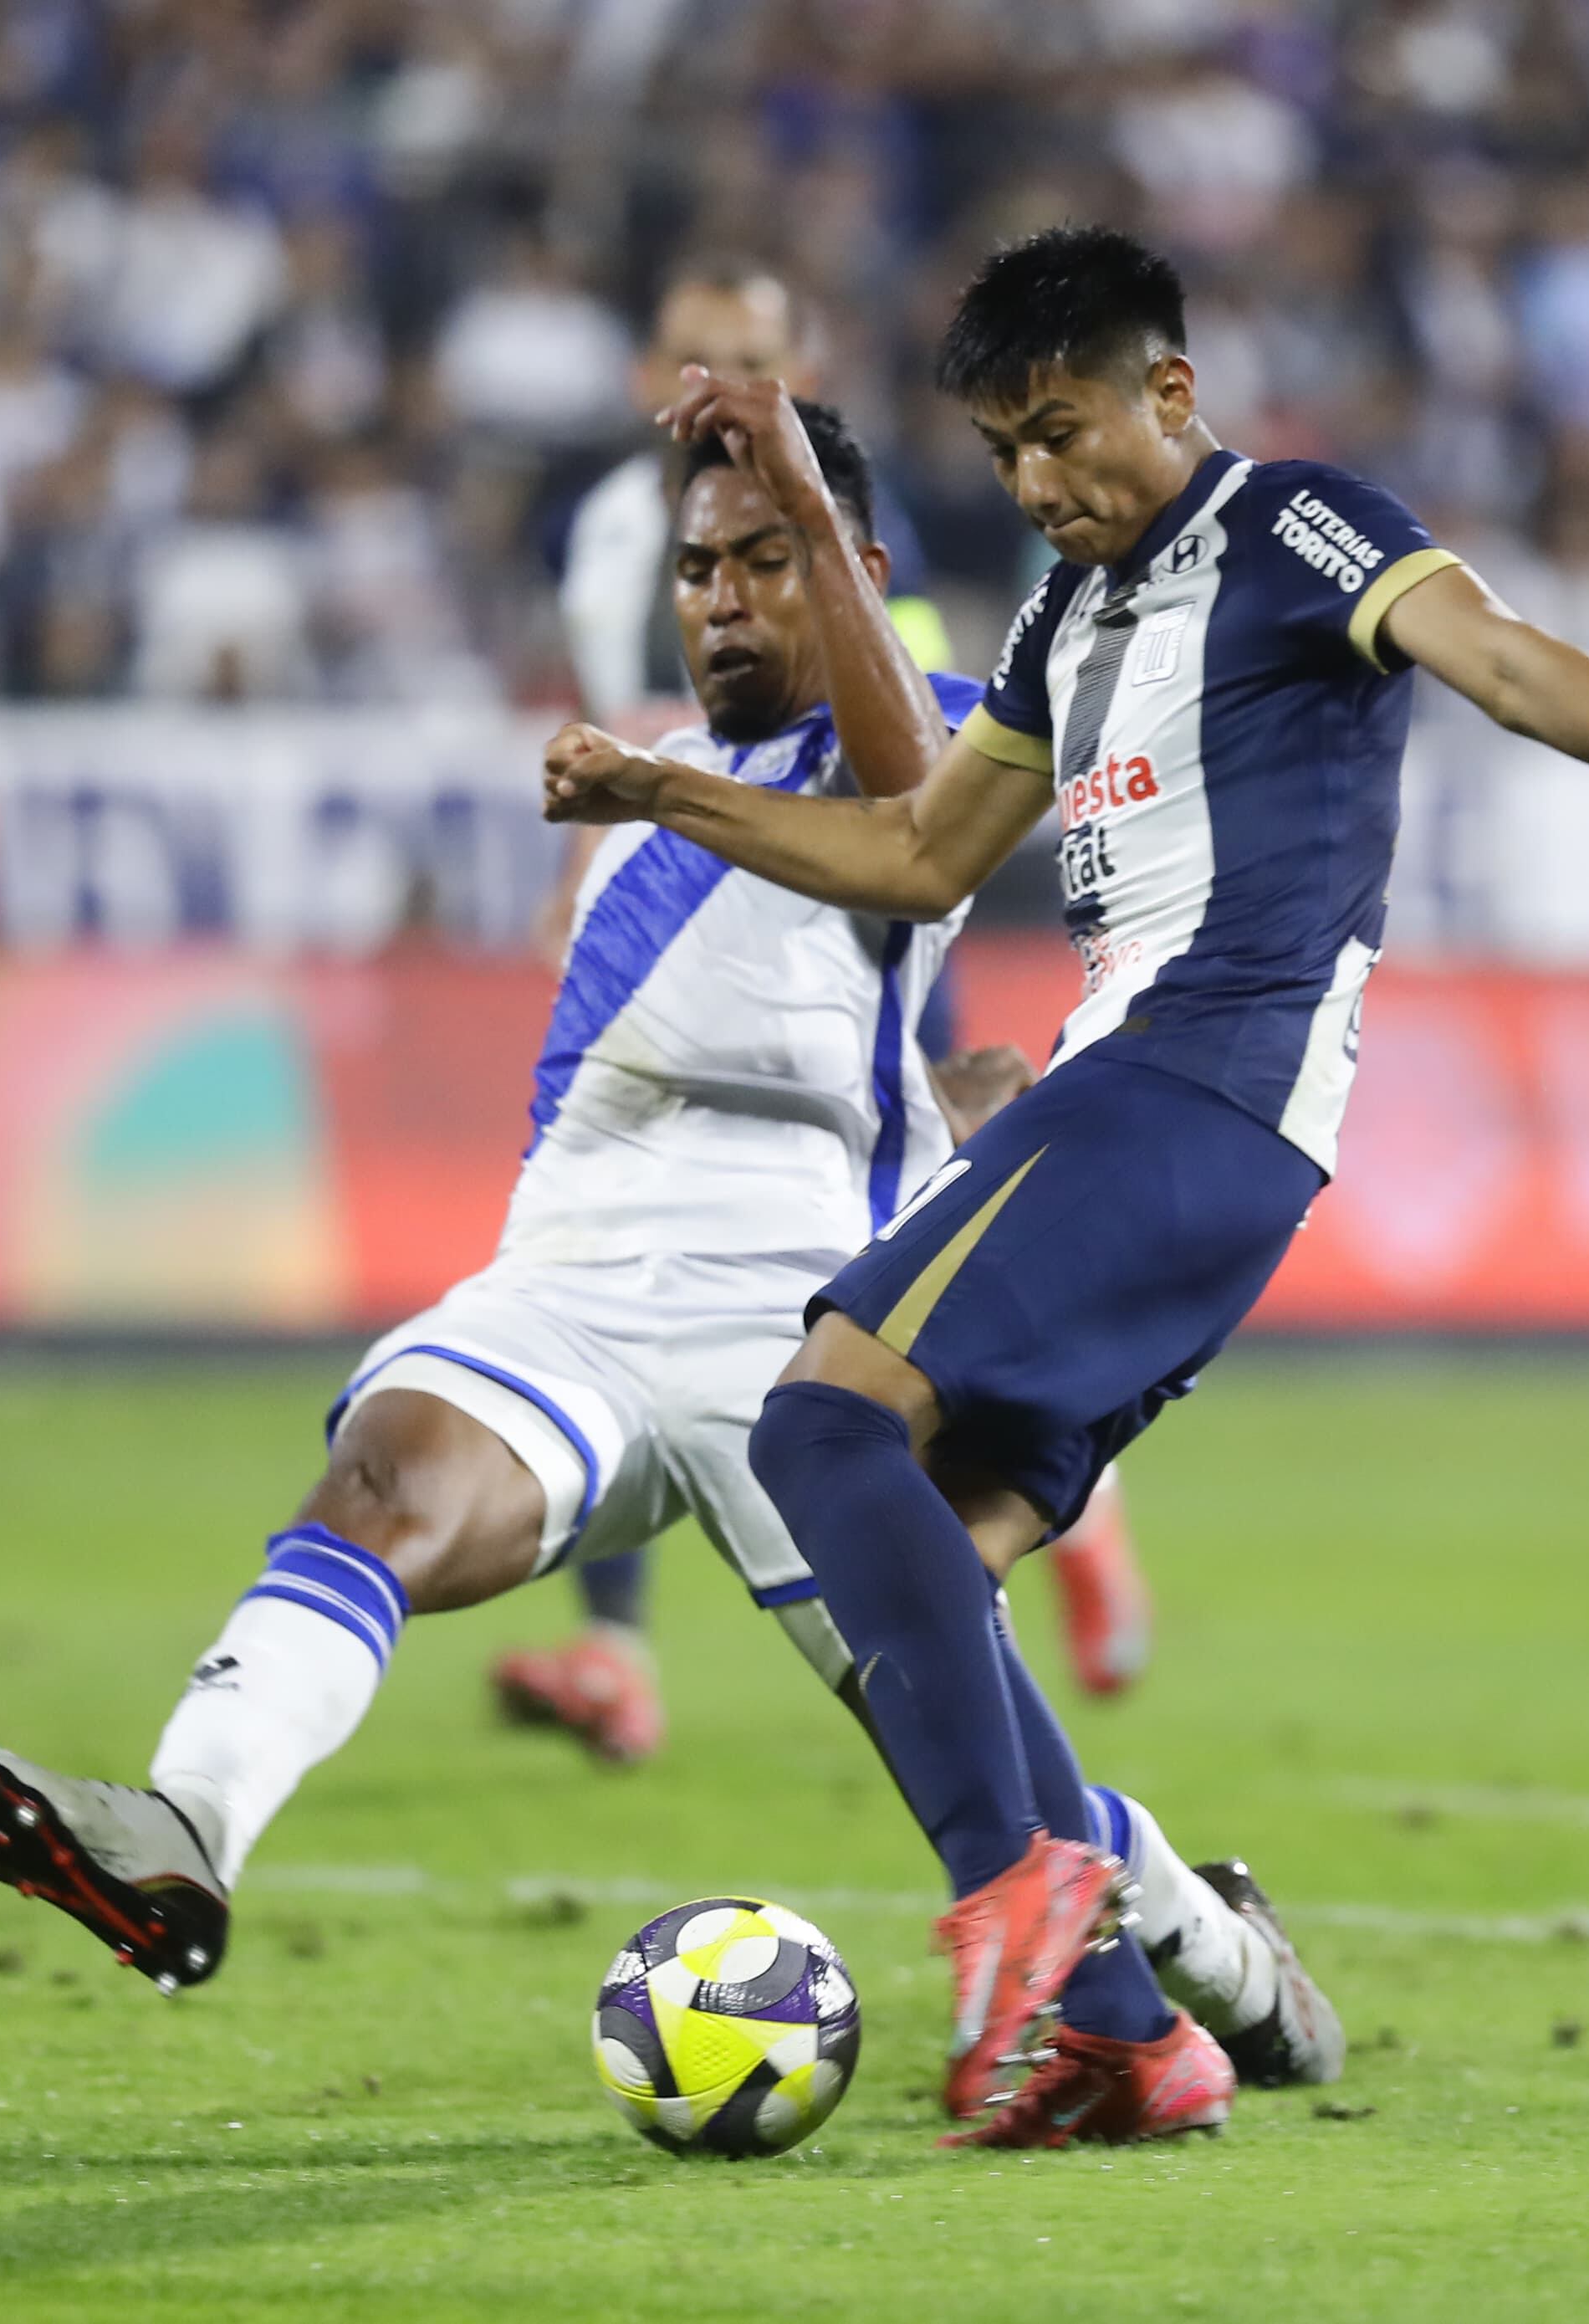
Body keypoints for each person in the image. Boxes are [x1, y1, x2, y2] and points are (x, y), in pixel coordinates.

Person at [542, 226, 1589, 2148]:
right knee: (917, 1566)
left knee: (815, 1424)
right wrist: (662, 790)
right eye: (1007, 451)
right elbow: (925, 853)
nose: (1038, 483)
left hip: (1204, 1077)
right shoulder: (1058, 626)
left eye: (1063, 432)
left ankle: (1022, 1900)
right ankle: (1136, 2019)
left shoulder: (1292, 528)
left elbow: (1503, 656)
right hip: (1159, 1112)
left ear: (1165, 396)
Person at [0, 399, 1340, 2101]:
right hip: (572, 1285)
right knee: (376, 1487)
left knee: (965, 1751)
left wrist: (802, 535)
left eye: (767, 559)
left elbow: (911, 834)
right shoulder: (628, 803)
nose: (726, 599)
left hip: (806, 1332)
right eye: (700, 568)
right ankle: (183, 1828)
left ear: (852, 575)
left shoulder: (942, 740)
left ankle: (1212, 1968)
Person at [502, 253, 1147, 1766]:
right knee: (615, 1240)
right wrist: (605, 856)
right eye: (693, 353)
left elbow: (909, 755)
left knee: (928, 1252)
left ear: (802, 367)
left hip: (860, 891)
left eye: (751, 357)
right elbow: (635, 692)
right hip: (695, 881)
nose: (715, 381)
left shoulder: (863, 526)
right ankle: (617, 1650)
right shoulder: (615, 529)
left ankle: (1072, 1492)